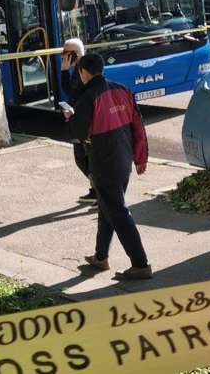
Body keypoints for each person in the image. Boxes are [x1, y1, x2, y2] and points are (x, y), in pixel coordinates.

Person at [64, 53, 152, 280]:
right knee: (107, 208)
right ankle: (100, 257)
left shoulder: (88, 98)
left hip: (104, 162)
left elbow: (77, 133)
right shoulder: (122, 90)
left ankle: (140, 264)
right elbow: (139, 127)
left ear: (84, 72)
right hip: (124, 160)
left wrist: (69, 117)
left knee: (118, 212)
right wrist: (140, 158)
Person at [60, 38, 96, 206]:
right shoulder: (80, 69)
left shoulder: (83, 71)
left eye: (66, 53)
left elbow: (72, 92)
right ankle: (96, 190)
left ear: (75, 54)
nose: (63, 57)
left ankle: (100, 190)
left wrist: (64, 71)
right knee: (85, 158)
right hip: (79, 120)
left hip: (85, 123)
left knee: (83, 158)